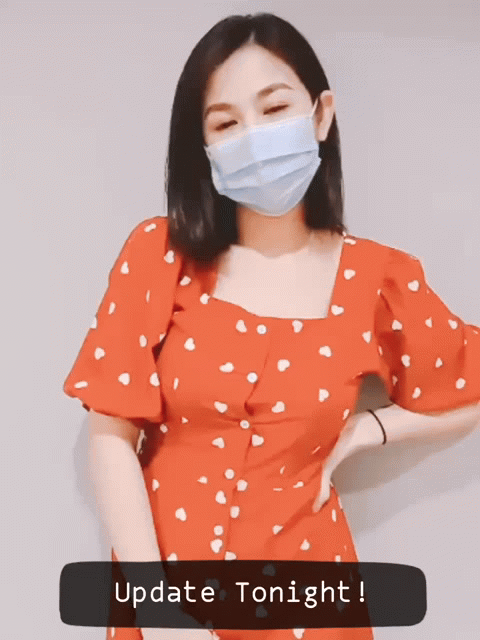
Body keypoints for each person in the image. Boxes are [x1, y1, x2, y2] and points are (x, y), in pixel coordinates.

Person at [63, 12, 480, 640]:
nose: (254, 136)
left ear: (320, 115)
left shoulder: (377, 277)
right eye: (226, 123)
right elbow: (110, 438)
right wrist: (157, 609)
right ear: (204, 146)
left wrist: (367, 431)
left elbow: (466, 382)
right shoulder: (159, 253)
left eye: (275, 108)